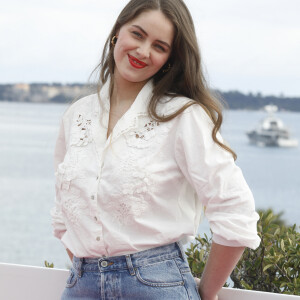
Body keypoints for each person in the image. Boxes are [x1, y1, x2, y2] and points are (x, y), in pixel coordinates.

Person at [51, 0, 261, 299]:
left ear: (170, 59)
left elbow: (234, 209)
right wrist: (93, 271)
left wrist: (208, 292)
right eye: (137, 34)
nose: (143, 51)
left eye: (159, 46)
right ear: (117, 33)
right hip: (81, 285)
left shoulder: (183, 116)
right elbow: (63, 215)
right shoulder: (76, 116)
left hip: (157, 286)